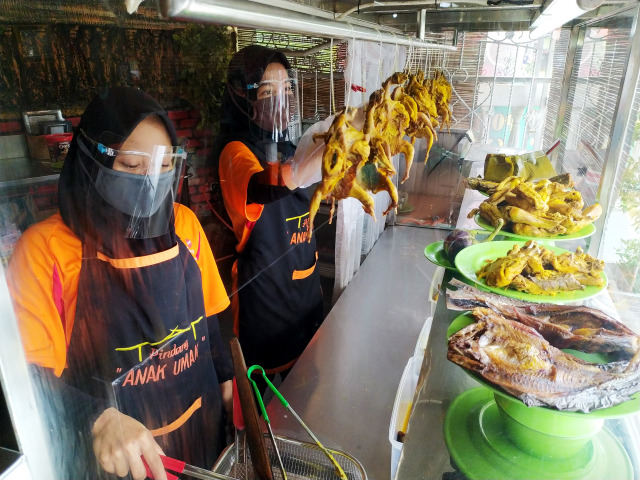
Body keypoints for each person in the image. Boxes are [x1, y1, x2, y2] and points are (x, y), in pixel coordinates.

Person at [7, 87, 232, 480]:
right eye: (131, 166)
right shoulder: (44, 251)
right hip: (121, 464)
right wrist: (99, 417)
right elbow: (30, 382)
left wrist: (231, 387)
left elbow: (209, 322)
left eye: (163, 167)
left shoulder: (186, 227)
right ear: (93, 160)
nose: (150, 184)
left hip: (203, 442)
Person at [214, 45, 329, 386]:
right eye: (267, 92)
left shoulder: (293, 148)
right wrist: (327, 149)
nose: (282, 101)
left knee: (306, 398)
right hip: (264, 307)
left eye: (287, 90)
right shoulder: (234, 153)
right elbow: (269, 185)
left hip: (305, 297)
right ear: (242, 98)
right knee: (265, 414)